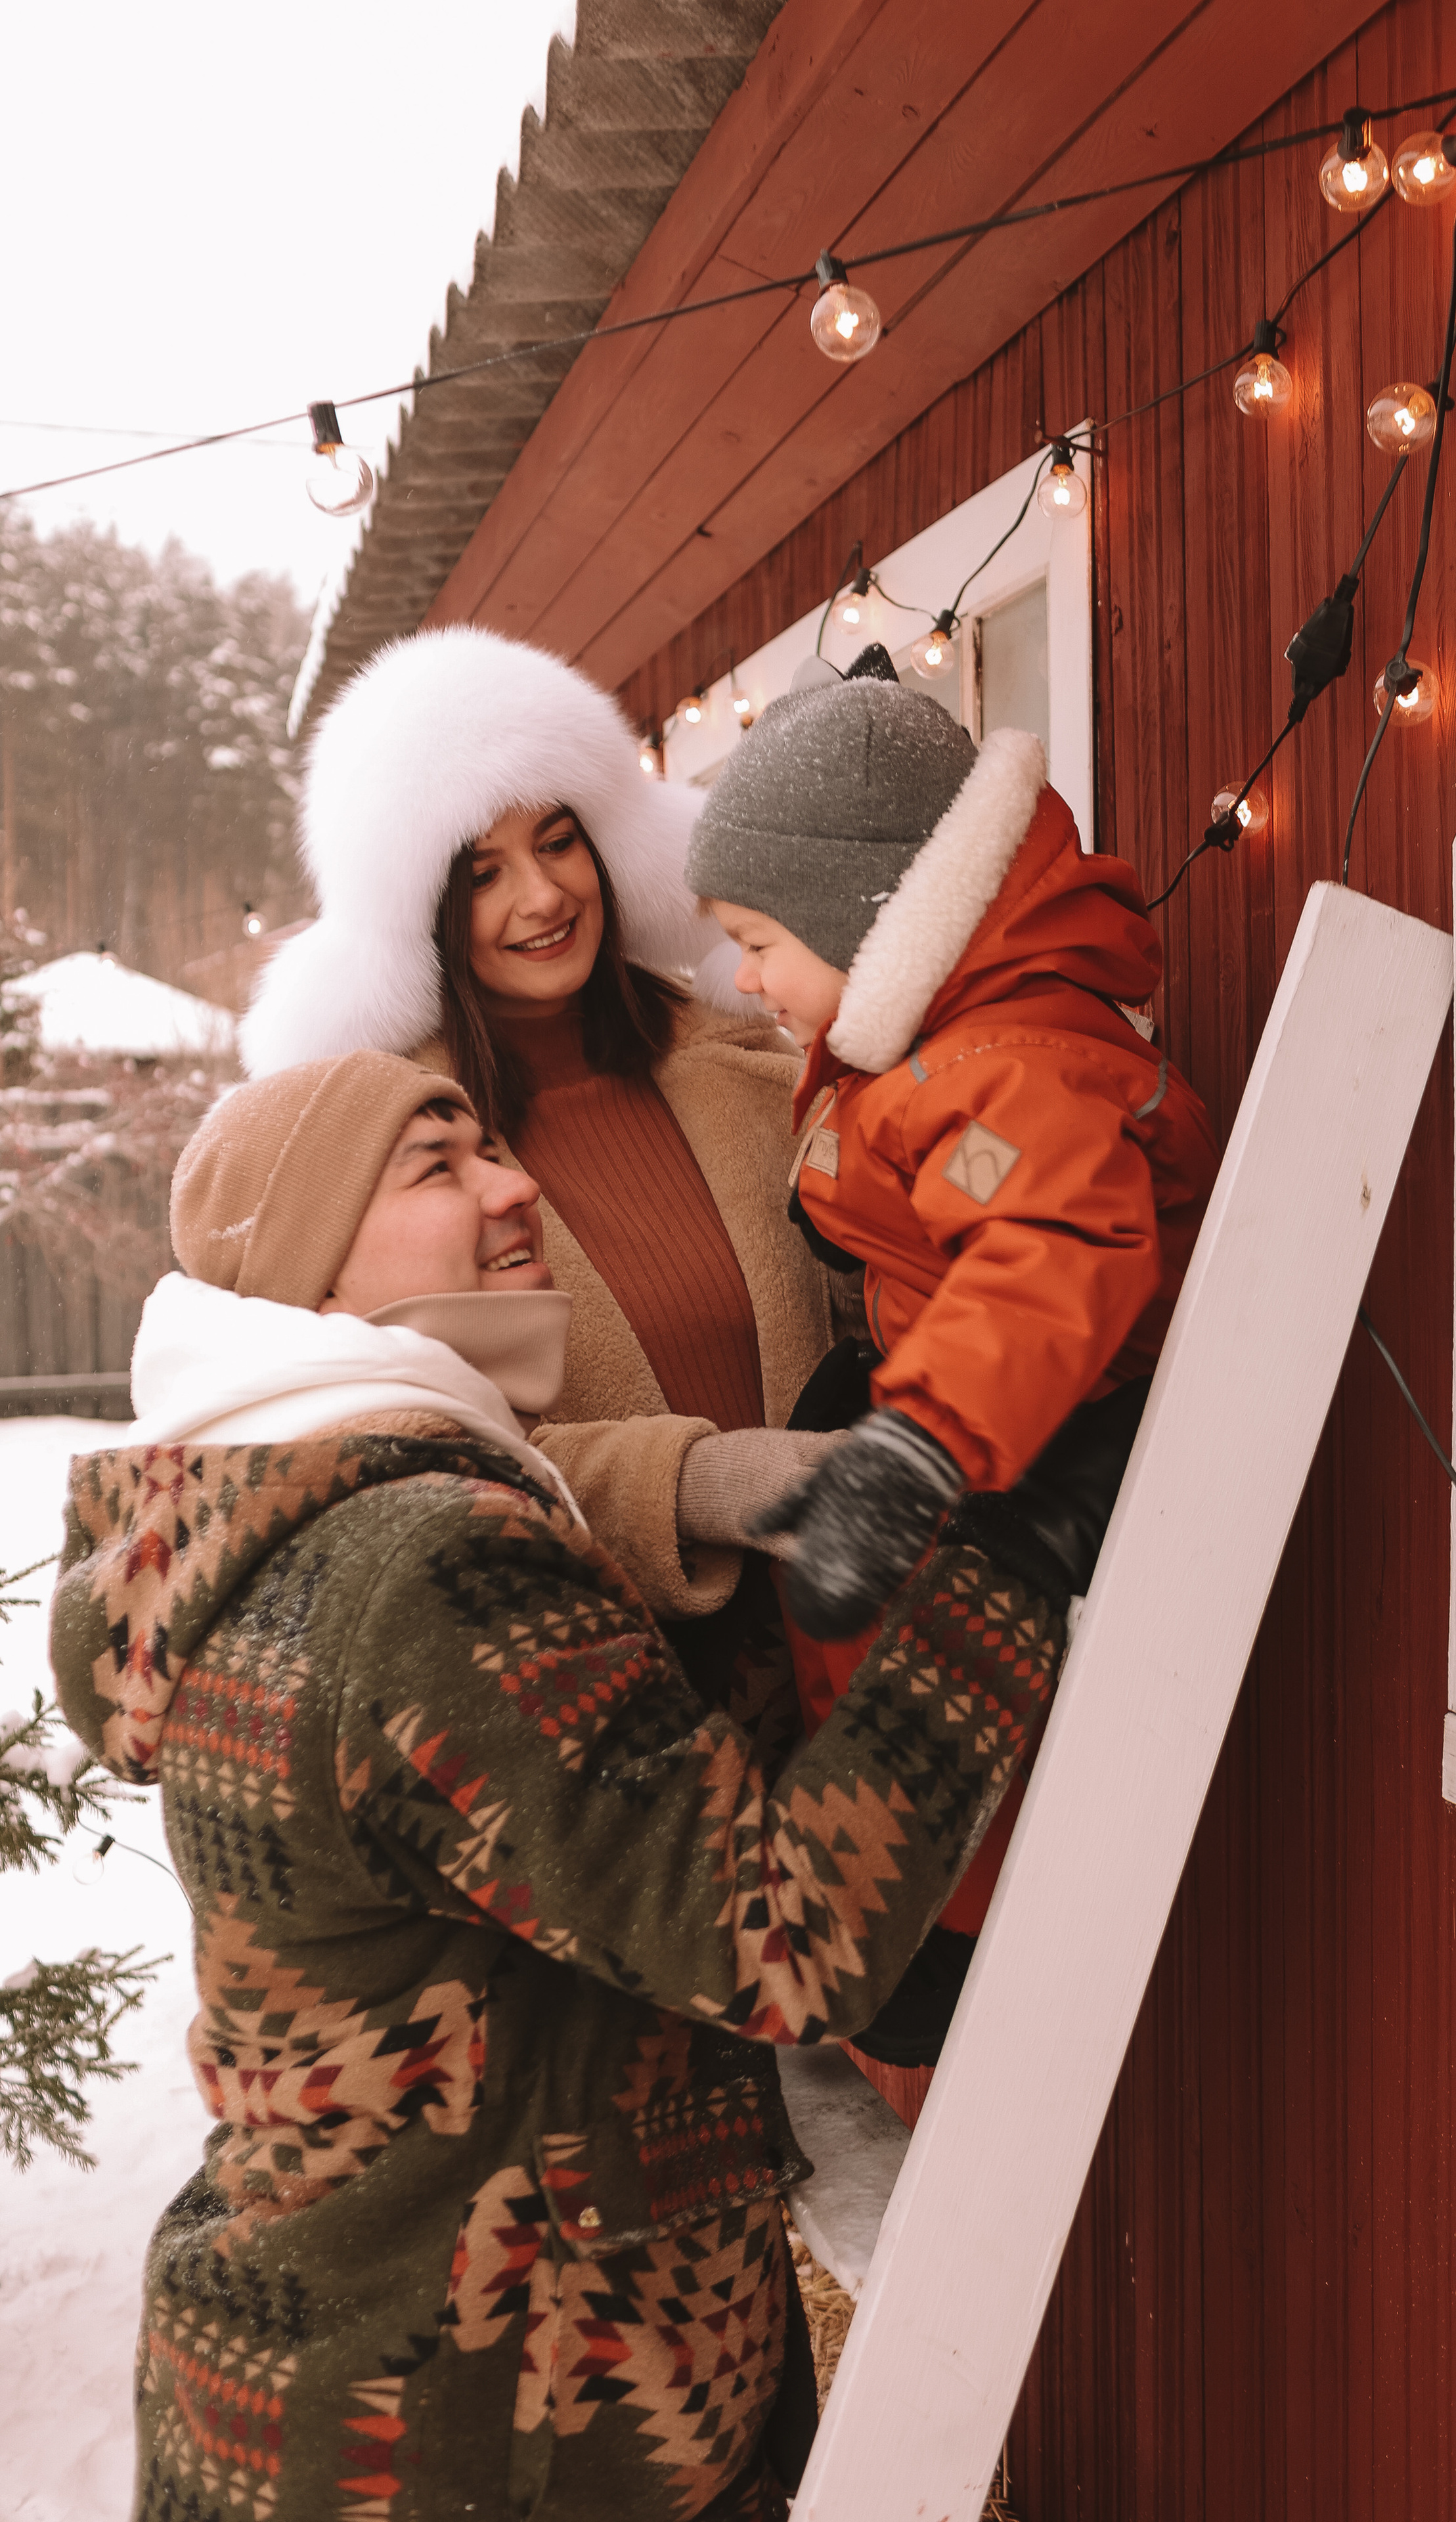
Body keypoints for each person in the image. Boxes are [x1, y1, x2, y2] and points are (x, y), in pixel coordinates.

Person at [51, 1051, 1071, 2522]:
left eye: (491, 1146)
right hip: (482, 2431)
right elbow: (776, 1938)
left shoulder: (260, 1534)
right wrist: (1006, 1569)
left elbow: (585, 1831)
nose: (515, 1183)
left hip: (330, 2389)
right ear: (314, 1265)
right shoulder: (419, 1560)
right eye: (436, 1164)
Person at [240, 626, 845, 1643]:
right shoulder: (397, 1165)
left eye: (558, 841)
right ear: (416, 914)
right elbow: (416, 1445)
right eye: (481, 874)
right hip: (598, 1676)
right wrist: (690, 1484)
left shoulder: (751, 1063)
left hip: (853, 1627)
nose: (543, 896)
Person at [686, 665, 1220, 1644]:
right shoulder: (938, 1052)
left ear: (864, 917)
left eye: (758, 941)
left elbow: (1044, 1256)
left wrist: (918, 1447)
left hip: (1065, 1441)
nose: (746, 977)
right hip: (999, 1410)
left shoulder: (1002, 1075)